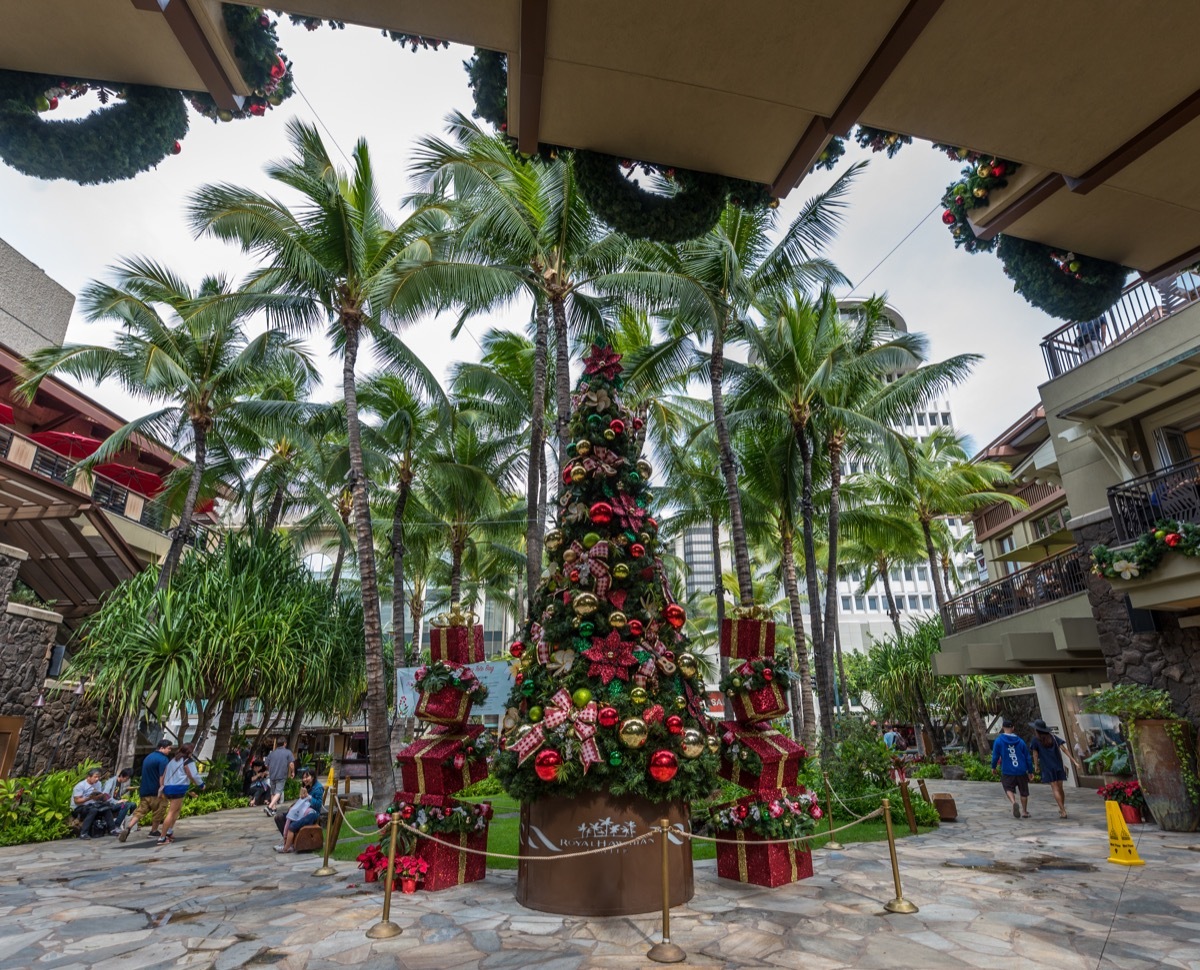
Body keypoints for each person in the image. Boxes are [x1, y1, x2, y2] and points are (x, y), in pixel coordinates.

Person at [120, 738, 172, 842]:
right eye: (168, 748)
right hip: (156, 790)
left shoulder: (148, 757)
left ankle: (129, 827)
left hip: (145, 790)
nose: (170, 750)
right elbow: (162, 776)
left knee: (140, 811)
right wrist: (162, 789)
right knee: (159, 811)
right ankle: (154, 831)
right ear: (162, 748)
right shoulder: (163, 759)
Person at [1030, 719, 1082, 819]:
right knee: (1060, 788)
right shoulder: (1053, 737)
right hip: (1058, 766)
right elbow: (1064, 749)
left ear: (1037, 730)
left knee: (1055, 789)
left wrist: (1036, 766)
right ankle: (1062, 808)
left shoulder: (1035, 740)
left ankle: (1063, 810)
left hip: (1047, 767)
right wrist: (1074, 761)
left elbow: (1035, 754)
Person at [157, 742, 204, 846]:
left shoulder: (173, 761)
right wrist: (201, 784)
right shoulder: (188, 761)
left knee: (177, 810)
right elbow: (194, 775)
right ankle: (162, 837)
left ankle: (169, 832)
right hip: (178, 788)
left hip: (169, 787)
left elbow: (164, 774)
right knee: (171, 812)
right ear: (190, 751)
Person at [273, 769, 325, 853]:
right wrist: (293, 806)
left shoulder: (318, 788)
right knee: (279, 818)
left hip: (312, 814)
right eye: (303, 777)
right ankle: (289, 841)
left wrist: (309, 797)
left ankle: (288, 846)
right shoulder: (306, 787)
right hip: (301, 811)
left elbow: (318, 805)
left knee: (292, 826)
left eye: (307, 777)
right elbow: (301, 802)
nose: (305, 779)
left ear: (313, 777)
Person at [991, 719, 1034, 819]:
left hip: (1007, 770)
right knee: (1023, 791)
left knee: (1008, 788)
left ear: (1003, 728)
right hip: (1021, 770)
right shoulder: (1020, 741)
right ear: (1013, 728)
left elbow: (995, 756)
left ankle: (1013, 802)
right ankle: (1024, 811)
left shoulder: (999, 741)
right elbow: (1027, 757)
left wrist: (993, 767)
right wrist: (1030, 771)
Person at [71, 768, 117, 839]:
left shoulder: (98, 784)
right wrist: (89, 798)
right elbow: (77, 801)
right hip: (79, 807)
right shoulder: (80, 786)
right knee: (93, 810)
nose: (97, 779)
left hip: (92, 805)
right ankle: (83, 833)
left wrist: (101, 796)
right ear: (88, 777)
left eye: (98, 777)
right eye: (95, 777)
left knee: (106, 808)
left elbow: (97, 797)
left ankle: (112, 829)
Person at [264, 737, 295, 818]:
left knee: (273, 792)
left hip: (272, 775)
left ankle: (273, 810)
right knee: (279, 792)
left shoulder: (272, 753)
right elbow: (291, 764)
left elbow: (266, 764)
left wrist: (271, 769)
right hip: (281, 775)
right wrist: (293, 772)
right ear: (284, 743)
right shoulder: (288, 752)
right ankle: (269, 807)